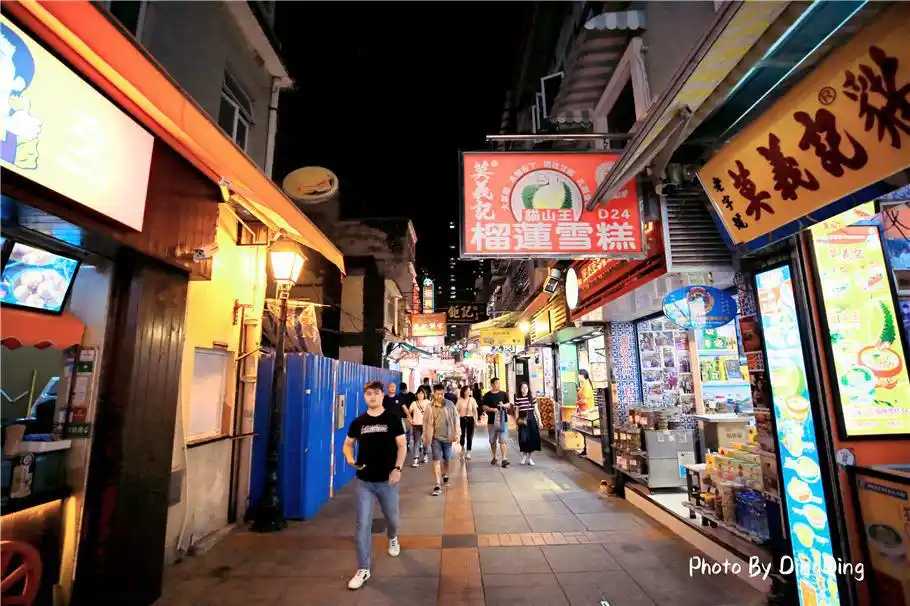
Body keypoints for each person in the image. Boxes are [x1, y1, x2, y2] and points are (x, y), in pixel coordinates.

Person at [343, 381, 407, 590]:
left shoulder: (393, 418)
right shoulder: (358, 422)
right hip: (365, 481)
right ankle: (363, 568)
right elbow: (348, 444)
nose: (372, 397)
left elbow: (402, 445)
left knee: (393, 519)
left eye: (376, 393)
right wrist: (350, 458)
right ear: (364, 397)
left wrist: (397, 468)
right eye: (368, 394)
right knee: (362, 524)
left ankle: (393, 537)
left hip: (388, 481)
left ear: (382, 396)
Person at [423, 383, 460, 496]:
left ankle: (445, 474)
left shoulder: (450, 404)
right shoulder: (430, 406)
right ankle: (437, 484)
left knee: (447, 459)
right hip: (435, 438)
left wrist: (457, 433)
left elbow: (456, 419)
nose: (440, 396)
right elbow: (426, 422)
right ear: (433, 393)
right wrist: (425, 436)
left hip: (448, 437)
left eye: (442, 394)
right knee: (436, 459)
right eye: (438, 394)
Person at [482, 378, 511, 468]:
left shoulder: (503, 394)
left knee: (503, 440)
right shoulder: (487, 395)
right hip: (491, 421)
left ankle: (504, 459)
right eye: (497, 383)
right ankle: (494, 457)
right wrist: (492, 409)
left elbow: (509, 404)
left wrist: (504, 406)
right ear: (492, 384)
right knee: (492, 440)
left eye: (499, 383)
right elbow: (483, 407)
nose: (498, 385)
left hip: (503, 420)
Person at [514, 382, 542, 465]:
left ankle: (529, 458)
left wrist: (539, 421)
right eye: (522, 388)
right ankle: (524, 456)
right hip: (522, 420)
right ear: (520, 389)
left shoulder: (532, 398)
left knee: (532, 439)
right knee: (523, 439)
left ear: (528, 389)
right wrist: (516, 423)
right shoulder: (517, 398)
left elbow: (536, 410)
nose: (524, 389)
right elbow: (517, 411)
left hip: (531, 420)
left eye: (526, 388)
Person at [408, 388, 430, 467]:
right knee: (416, 442)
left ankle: (425, 455)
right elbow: (408, 412)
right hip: (416, 425)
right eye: (419, 393)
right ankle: (415, 459)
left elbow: (431, 413)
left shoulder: (428, 402)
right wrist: (410, 420)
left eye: (422, 393)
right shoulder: (414, 403)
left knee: (425, 442)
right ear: (416, 394)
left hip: (426, 425)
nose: (420, 395)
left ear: (424, 395)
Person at [456, 385, 478, 460]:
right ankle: (462, 448)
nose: (468, 392)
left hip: (470, 419)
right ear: (463, 392)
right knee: (462, 435)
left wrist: (476, 420)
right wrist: (456, 420)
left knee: (469, 436)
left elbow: (475, 411)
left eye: (469, 390)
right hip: (462, 419)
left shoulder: (472, 399)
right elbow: (456, 411)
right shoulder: (459, 400)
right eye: (467, 391)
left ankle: (468, 452)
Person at [398, 382, 415, 450]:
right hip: (403, 417)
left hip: (410, 416)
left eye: (403, 390)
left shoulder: (412, 395)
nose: (403, 391)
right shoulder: (400, 395)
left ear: (406, 388)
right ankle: (405, 444)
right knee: (404, 431)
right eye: (402, 390)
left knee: (409, 431)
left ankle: (407, 443)